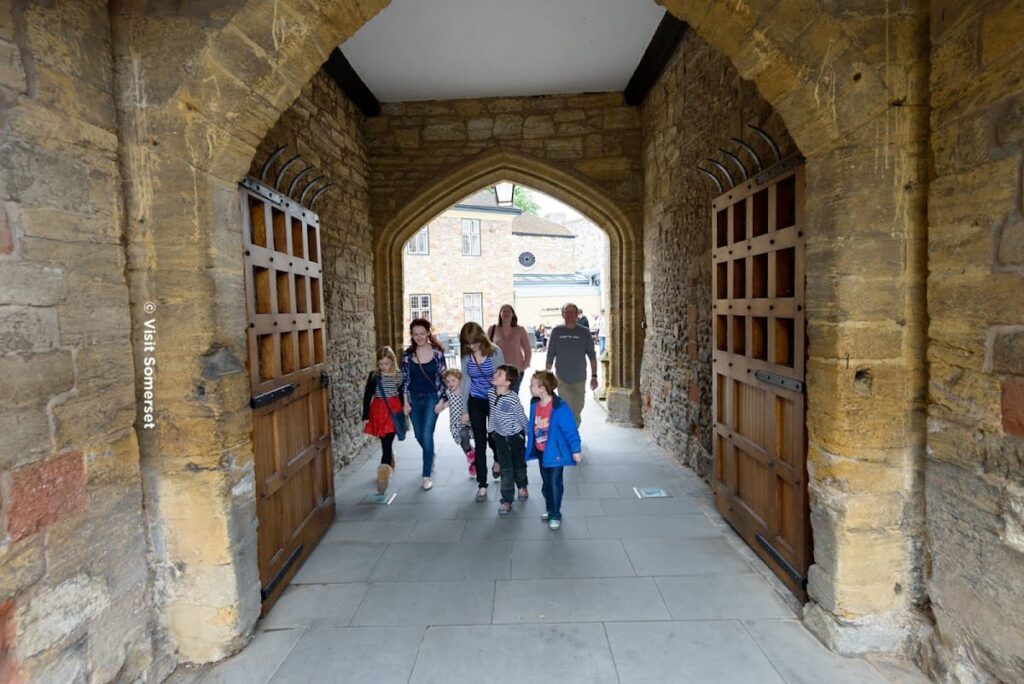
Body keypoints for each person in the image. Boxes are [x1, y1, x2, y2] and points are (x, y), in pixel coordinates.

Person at [525, 370, 582, 530]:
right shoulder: (534, 404)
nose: (530, 387)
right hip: (542, 452)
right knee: (546, 484)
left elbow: (570, 430)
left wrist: (576, 449)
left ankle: (556, 514)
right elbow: (532, 426)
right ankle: (550, 509)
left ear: (542, 388)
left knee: (555, 483)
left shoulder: (559, 407)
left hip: (556, 453)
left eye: (532, 385)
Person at [459, 321, 506, 502]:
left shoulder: (494, 352)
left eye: (474, 342)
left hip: (494, 399)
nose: (472, 346)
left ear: (481, 338)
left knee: (493, 436)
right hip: (476, 399)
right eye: (468, 343)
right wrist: (465, 409)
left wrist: (502, 403)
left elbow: (503, 377)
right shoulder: (465, 356)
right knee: (479, 440)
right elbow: (465, 381)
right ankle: (482, 484)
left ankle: (497, 459)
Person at [401, 318, 447, 491]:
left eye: (422, 333)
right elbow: (404, 381)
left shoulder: (437, 353)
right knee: (419, 435)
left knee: (427, 435)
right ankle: (431, 454)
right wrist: (405, 402)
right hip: (413, 398)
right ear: (412, 335)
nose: (419, 337)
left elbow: (444, 379)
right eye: (415, 334)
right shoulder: (407, 355)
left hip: (432, 398)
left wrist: (442, 401)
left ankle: (426, 475)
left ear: (428, 333)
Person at [545, 303, 599, 425]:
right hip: (562, 378)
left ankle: (573, 430)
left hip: (580, 378)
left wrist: (594, 377)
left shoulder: (584, 332)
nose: (569, 315)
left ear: (577, 314)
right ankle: (571, 437)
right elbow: (550, 354)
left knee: (577, 408)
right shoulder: (556, 331)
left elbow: (592, 355)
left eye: (572, 312)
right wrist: (547, 375)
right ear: (562, 314)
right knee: (567, 409)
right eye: (566, 312)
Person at [362, 346, 405, 494]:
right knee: (384, 442)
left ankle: (383, 476)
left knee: (387, 442)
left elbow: (402, 395)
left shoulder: (399, 376)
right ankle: (389, 461)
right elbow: (368, 395)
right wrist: (365, 416)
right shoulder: (374, 376)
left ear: (392, 362)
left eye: (386, 363)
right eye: (381, 364)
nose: (383, 367)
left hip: (393, 411)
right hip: (378, 410)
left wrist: (405, 411)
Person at [489, 365, 529, 515]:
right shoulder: (491, 394)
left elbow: (522, 417)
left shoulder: (513, 398)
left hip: (515, 437)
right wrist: (491, 430)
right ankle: (507, 500)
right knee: (506, 469)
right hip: (500, 437)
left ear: (507, 382)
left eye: (500, 374)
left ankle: (522, 485)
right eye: (496, 372)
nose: (495, 374)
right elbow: (492, 413)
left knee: (518, 465)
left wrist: (528, 433)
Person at [438, 368, 476, 478]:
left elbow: (472, 404)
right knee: (462, 441)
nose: (450, 384)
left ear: (460, 380)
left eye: (453, 380)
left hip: (467, 421)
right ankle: (473, 461)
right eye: (448, 381)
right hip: (455, 422)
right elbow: (449, 403)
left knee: (464, 434)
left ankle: (472, 455)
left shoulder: (466, 392)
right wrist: (441, 407)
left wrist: (469, 414)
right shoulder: (448, 392)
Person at [487, 304, 532, 393]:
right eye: (504, 311)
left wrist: (524, 366)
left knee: (512, 396)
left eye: (508, 311)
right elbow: (486, 349)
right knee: (497, 396)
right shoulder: (492, 329)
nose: (506, 313)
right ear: (500, 314)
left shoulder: (520, 330)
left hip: (515, 371)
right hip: (497, 371)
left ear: (513, 314)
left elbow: (527, 349)